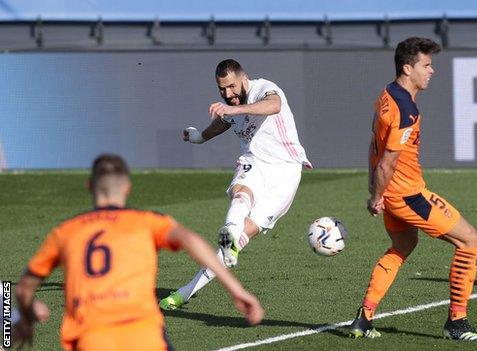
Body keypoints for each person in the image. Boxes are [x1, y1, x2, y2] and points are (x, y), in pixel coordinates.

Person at [13, 154, 264, 350]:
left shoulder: (65, 232)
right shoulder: (146, 221)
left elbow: (22, 289)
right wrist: (236, 290)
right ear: (127, 188)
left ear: (90, 186)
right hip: (144, 336)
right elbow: (190, 239)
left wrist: (26, 316)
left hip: (90, 340)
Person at [348, 37, 477, 342]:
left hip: (393, 193)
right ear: (407, 67)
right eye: (426, 65)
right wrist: (376, 197)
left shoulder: (387, 93)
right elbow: (387, 161)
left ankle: (364, 318)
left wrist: (377, 191)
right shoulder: (404, 109)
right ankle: (457, 321)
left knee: (402, 246)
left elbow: (374, 147)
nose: (432, 71)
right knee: (470, 241)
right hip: (408, 195)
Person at [159, 59, 311, 310]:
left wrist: (233, 110)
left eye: (231, 87)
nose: (227, 94)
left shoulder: (264, 89)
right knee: (241, 195)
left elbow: (273, 105)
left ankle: (189, 289)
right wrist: (199, 137)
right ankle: (228, 231)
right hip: (254, 162)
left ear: (243, 78)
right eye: (222, 89)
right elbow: (223, 122)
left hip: (285, 170)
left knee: (243, 235)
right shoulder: (232, 105)